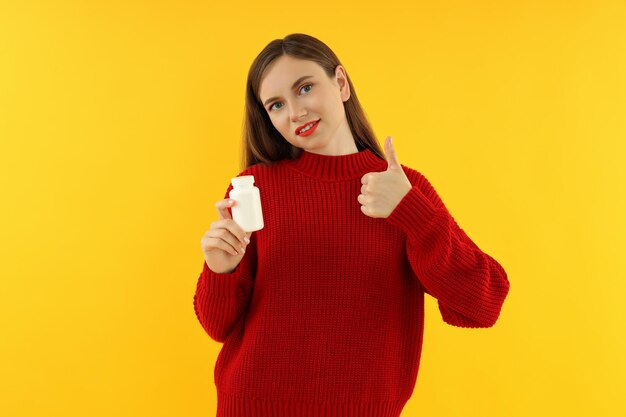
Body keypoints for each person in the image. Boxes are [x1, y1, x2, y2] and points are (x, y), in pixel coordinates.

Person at [194, 33, 510, 417]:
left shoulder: (402, 188)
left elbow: (483, 304)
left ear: (341, 83)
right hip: (252, 405)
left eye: (305, 88)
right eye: (276, 105)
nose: (295, 112)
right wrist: (220, 269)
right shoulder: (253, 188)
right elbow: (218, 327)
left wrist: (411, 211)